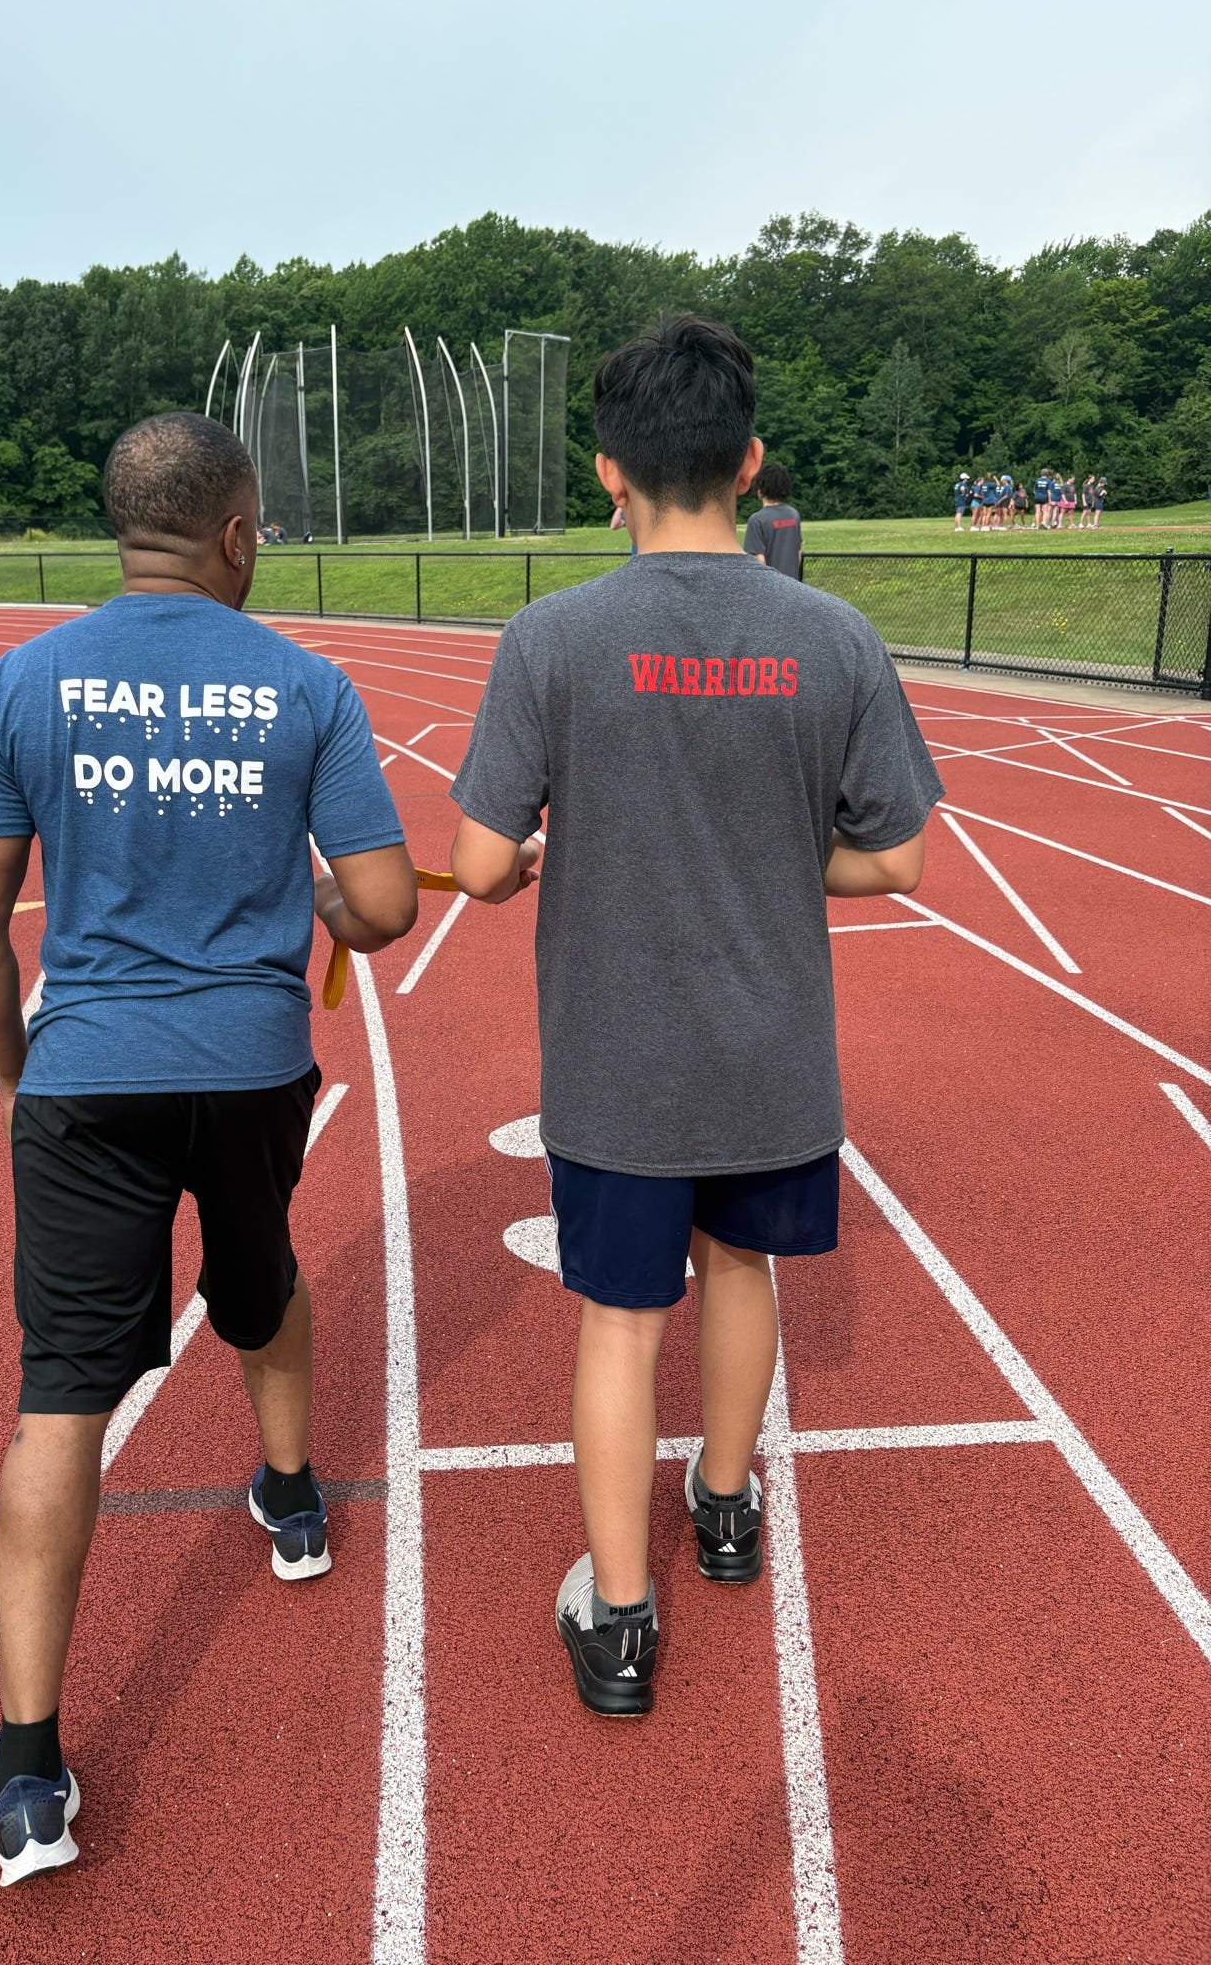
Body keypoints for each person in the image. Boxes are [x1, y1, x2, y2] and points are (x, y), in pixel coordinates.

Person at [0, 410, 416, 1885]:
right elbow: (388, 903)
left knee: (62, 1397)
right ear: (237, 532)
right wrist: (332, 917)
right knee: (261, 1281)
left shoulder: (16, 684)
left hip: (86, 1072)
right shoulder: (307, 685)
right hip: (252, 1061)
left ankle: (26, 1765)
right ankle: (288, 1498)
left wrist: (27, 1066)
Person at [448, 315, 943, 1719]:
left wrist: (564, 847)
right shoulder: (832, 637)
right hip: (771, 1051)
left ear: (610, 472)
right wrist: (771, 849)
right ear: (752, 462)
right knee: (743, 1275)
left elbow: (480, 865)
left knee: (619, 1324)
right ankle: (725, 1510)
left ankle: (617, 1619)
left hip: (617, 1058)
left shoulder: (552, 640)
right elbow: (895, 856)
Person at [743, 461, 802, 577]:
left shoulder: (756, 520)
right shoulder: (794, 514)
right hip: (793, 584)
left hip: (770, 588)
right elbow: (798, 554)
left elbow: (759, 560)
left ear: (760, 489)